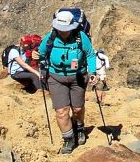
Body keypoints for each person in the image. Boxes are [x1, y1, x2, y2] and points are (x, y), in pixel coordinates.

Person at [39, 9, 97, 154]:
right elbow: (41, 53)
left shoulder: (80, 37)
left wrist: (93, 72)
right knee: (61, 111)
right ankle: (68, 139)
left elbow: (90, 55)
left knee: (77, 109)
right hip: (55, 77)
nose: (63, 31)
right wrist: (39, 63)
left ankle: (79, 127)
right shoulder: (51, 37)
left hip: (78, 77)